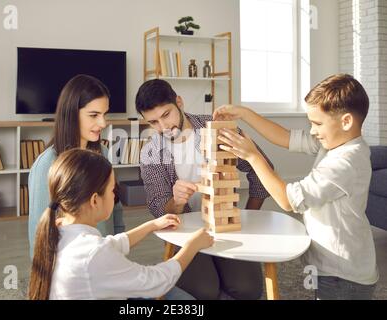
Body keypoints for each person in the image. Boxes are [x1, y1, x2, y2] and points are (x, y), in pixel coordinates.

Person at [213, 74, 379, 300]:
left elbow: (288, 200)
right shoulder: (335, 143)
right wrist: (244, 113)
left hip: (343, 274)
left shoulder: (345, 162)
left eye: (317, 123)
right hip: (333, 266)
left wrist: (253, 156)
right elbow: (286, 137)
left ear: (346, 121)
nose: (312, 131)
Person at [135, 79, 274, 300]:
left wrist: (248, 215)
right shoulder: (151, 152)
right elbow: (159, 209)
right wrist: (176, 201)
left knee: (249, 289)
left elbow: (261, 168)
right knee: (204, 291)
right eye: (153, 122)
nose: (163, 127)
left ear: (179, 102)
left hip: (223, 225)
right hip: (185, 232)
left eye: (166, 115)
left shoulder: (217, 128)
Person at [28, 148, 214, 300]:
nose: (116, 196)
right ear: (95, 200)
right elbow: (157, 282)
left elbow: (112, 244)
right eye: (112, 190)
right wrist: (192, 245)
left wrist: (151, 225)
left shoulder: (60, 228)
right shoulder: (94, 254)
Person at [28, 74, 124, 257]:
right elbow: (39, 234)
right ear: (71, 114)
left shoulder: (103, 153)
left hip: (105, 258)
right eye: (94, 115)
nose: (103, 123)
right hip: (71, 271)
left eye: (105, 114)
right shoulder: (47, 164)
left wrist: (117, 252)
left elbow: (116, 209)